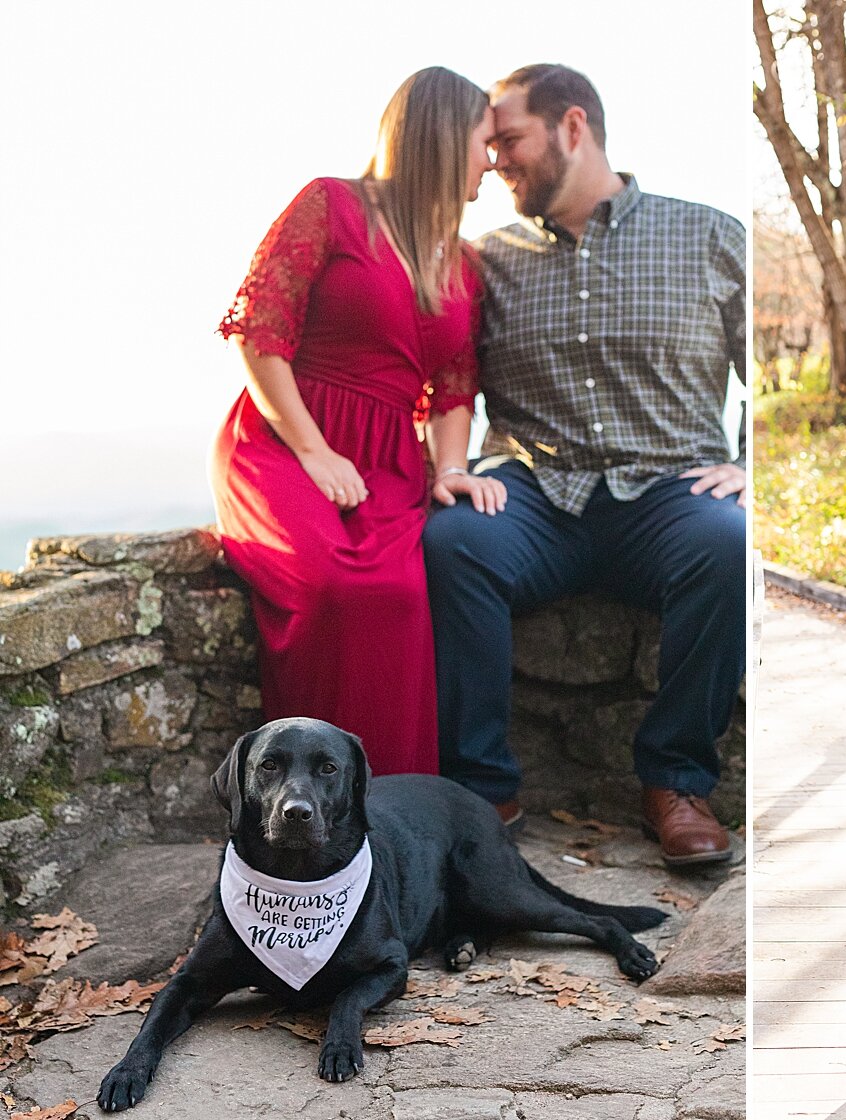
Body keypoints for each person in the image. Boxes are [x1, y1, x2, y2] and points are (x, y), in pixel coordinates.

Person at [421, 64, 746, 867]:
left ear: (573, 127)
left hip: (673, 491)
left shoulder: (708, 234)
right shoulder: (482, 259)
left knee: (729, 542)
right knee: (454, 544)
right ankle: (481, 791)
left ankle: (674, 782)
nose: (494, 161)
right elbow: (437, 368)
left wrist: (753, 462)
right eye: (487, 146)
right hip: (536, 493)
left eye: (509, 141)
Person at [211, 67, 506, 777]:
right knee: (328, 589)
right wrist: (312, 451)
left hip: (391, 463)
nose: (492, 162)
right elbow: (261, 332)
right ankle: (295, 799)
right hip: (285, 439)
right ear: (441, 136)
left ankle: (391, 805)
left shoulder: (461, 264)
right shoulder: (330, 206)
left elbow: (454, 386)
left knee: (402, 595)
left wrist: (453, 469)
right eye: (484, 143)